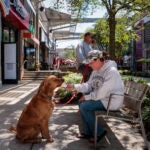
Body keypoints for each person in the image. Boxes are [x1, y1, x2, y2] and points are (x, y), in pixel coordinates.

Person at [66, 50, 124, 143]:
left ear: (99, 60)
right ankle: (87, 132)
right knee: (81, 102)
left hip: (111, 101)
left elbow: (102, 93)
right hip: (103, 99)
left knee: (85, 106)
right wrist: (74, 87)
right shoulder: (95, 71)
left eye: (91, 62)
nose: (89, 65)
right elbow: (89, 85)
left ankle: (99, 133)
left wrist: (87, 97)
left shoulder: (111, 72)